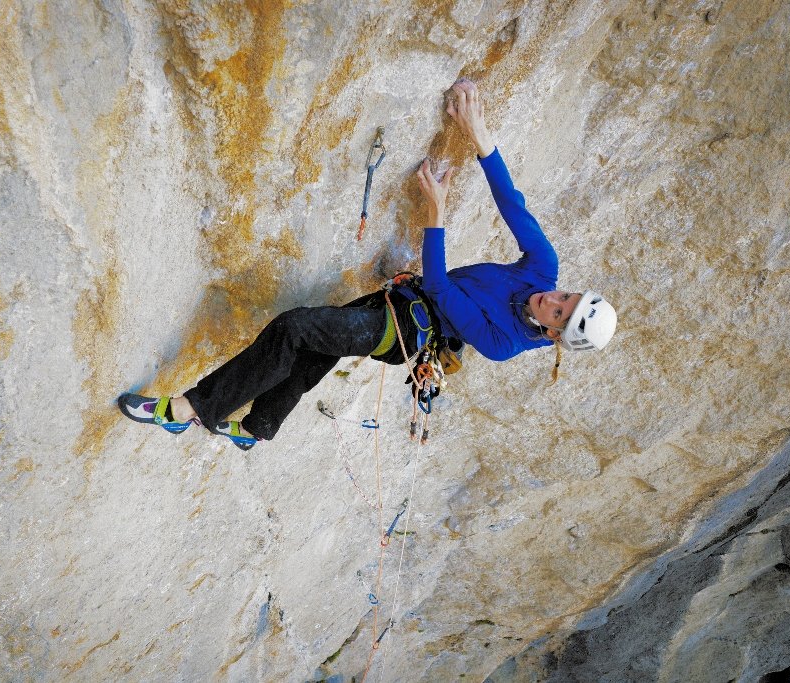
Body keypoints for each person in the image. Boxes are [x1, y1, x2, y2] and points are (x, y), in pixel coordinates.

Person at [118, 78, 617, 450]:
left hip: (402, 329)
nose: (552, 299)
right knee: (315, 352)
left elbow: (442, 289)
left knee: (295, 330)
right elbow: (512, 203)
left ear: (553, 336)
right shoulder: (542, 268)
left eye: (558, 314)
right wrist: (476, 131)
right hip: (400, 300)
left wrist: (436, 213)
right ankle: (257, 427)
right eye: (566, 297)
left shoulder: (505, 343)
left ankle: (191, 409)